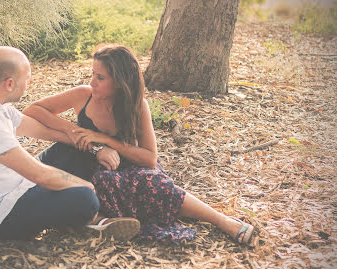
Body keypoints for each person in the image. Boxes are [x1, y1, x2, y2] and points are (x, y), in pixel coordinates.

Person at [23, 44, 255, 245]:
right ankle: (100, 220)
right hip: (87, 166)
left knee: (152, 183)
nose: (92, 82)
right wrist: (74, 131)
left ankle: (223, 221)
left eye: (100, 78)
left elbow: (149, 158)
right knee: (101, 183)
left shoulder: (137, 106)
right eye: (92, 74)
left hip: (129, 166)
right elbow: (33, 109)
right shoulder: (83, 95)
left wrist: (106, 139)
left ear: (121, 82)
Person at [0, 46, 140, 241]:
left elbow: (41, 130)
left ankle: (84, 216)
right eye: (27, 78)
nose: (30, 82)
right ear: (9, 83)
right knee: (85, 199)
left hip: (14, 186)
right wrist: (84, 185)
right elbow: (39, 175)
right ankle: (94, 219)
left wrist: (95, 147)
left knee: (72, 150)